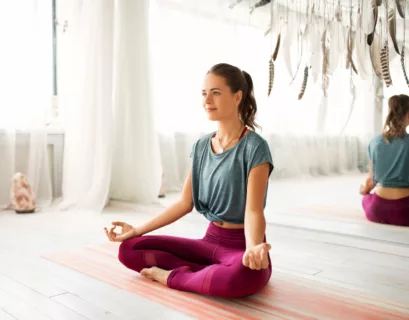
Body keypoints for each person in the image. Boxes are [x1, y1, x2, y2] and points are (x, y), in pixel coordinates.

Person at [104, 63, 274, 298]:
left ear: (237, 97)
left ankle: (174, 277)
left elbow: (254, 211)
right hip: (209, 241)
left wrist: (254, 248)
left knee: (238, 278)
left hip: (241, 247)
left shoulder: (255, 147)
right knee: (129, 250)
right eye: (204, 94)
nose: (207, 100)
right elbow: (185, 203)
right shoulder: (201, 146)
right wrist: (136, 230)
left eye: (216, 93)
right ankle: (206, 275)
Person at [360, 94, 409, 226]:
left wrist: (365, 191)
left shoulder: (374, 142)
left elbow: (371, 180)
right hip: (405, 212)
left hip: (377, 210)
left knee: (366, 199)